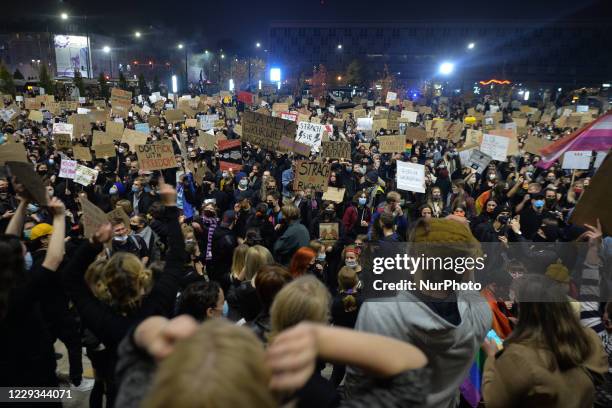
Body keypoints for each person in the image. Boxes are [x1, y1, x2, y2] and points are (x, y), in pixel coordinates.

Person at [347, 217, 491, 408]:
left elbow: (356, 386)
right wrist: (460, 239)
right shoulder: (479, 314)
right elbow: (469, 285)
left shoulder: (378, 313)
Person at [482, 274, 608, 408]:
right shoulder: (589, 339)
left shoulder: (517, 357)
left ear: (526, 311)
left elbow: (494, 402)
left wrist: (492, 357)